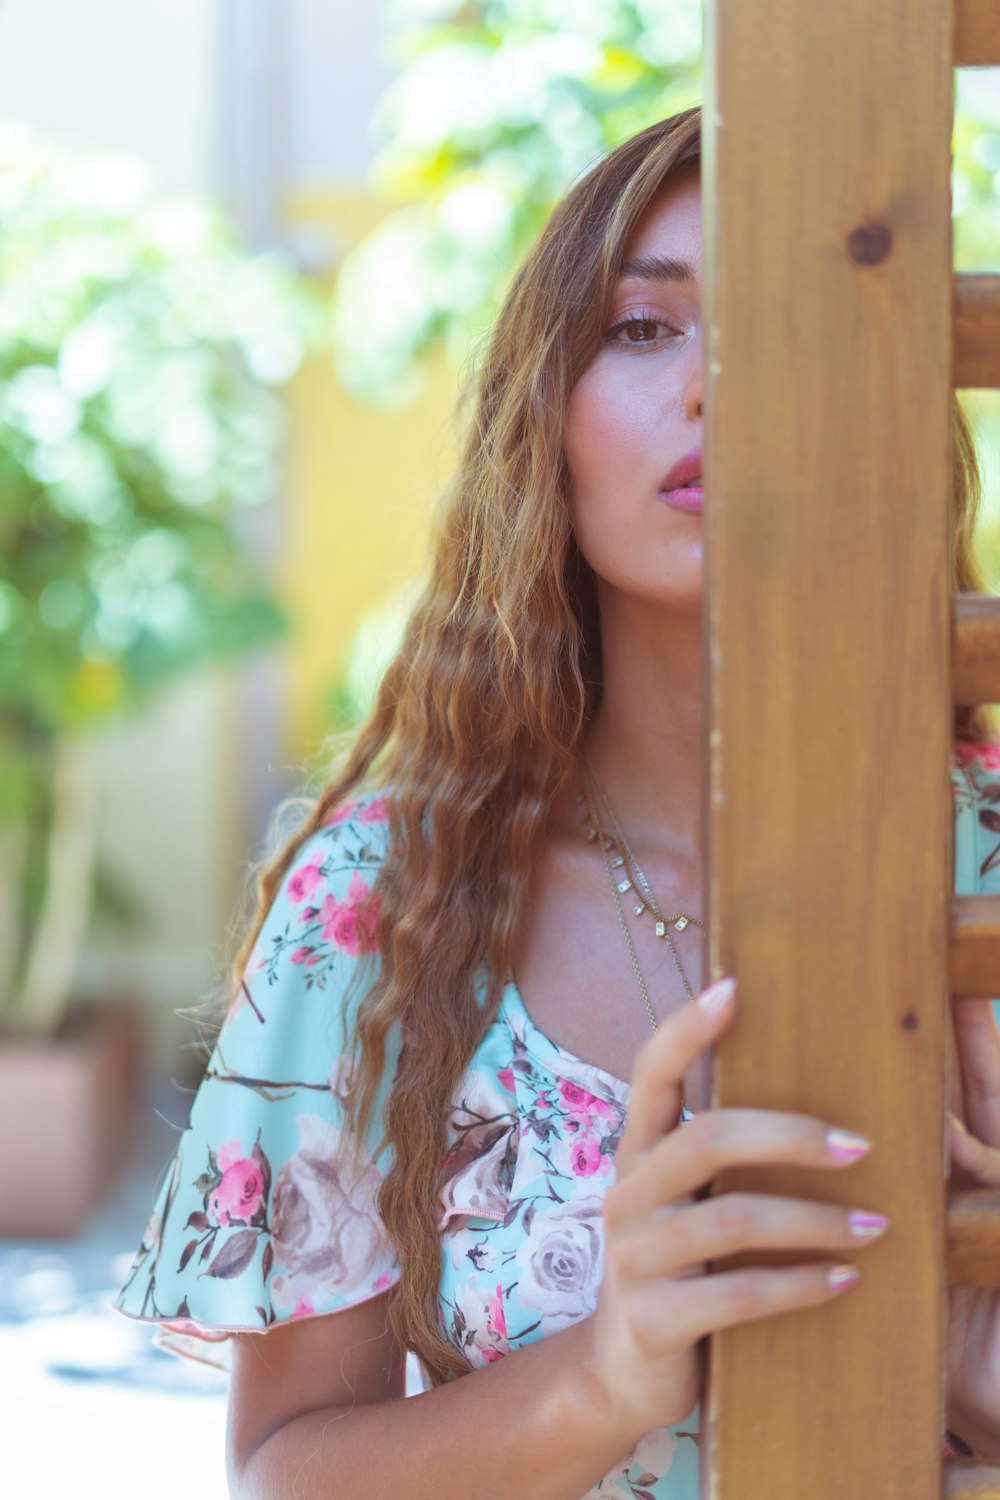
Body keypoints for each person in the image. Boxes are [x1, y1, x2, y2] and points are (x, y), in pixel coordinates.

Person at [114, 105, 1000, 1497]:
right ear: (544, 417)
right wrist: (603, 1377)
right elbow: (285, 1476)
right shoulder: (376, 905)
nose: (719, 382)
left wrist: (972, 1352)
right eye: (645, 328)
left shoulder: (990, 871)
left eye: (782, 320)